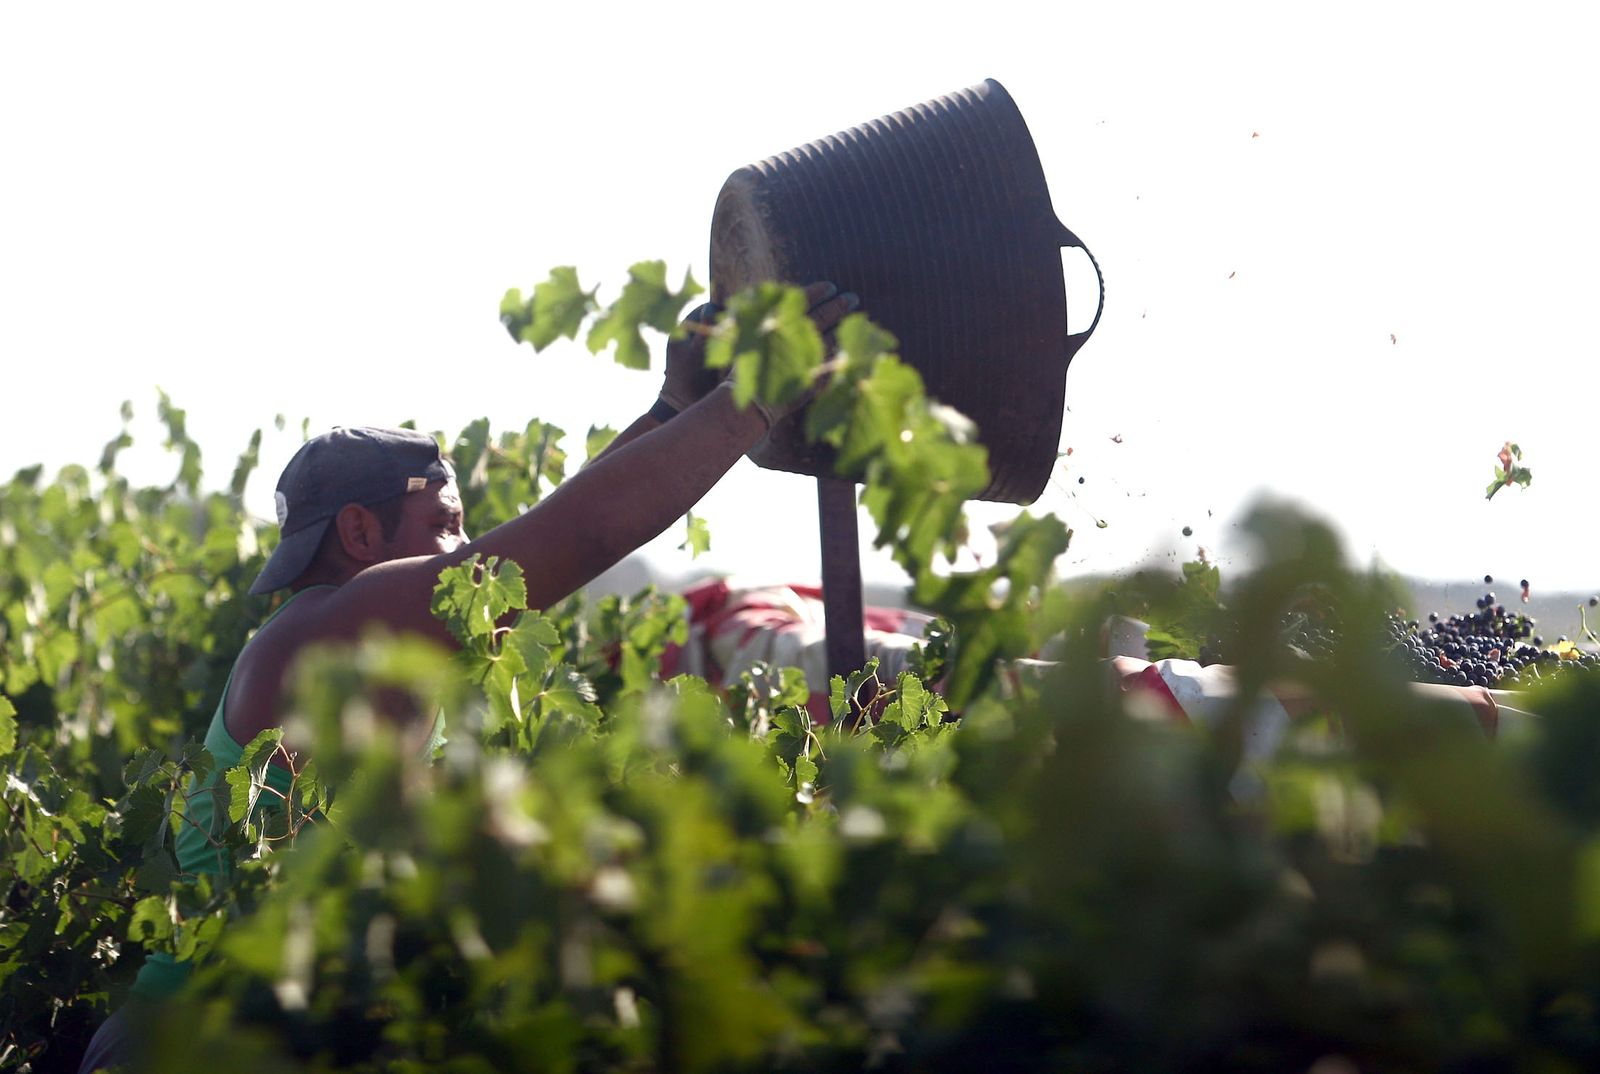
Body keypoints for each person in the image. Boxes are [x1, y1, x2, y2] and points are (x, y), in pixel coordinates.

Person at [76, 281, 858, 1073]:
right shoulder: (334, 626)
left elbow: (551, 537)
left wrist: (669, 408)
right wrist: (754, 401)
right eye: (446, 525)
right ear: (358, 530)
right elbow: (576, 532)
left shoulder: (365, 649)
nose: (466, 550)